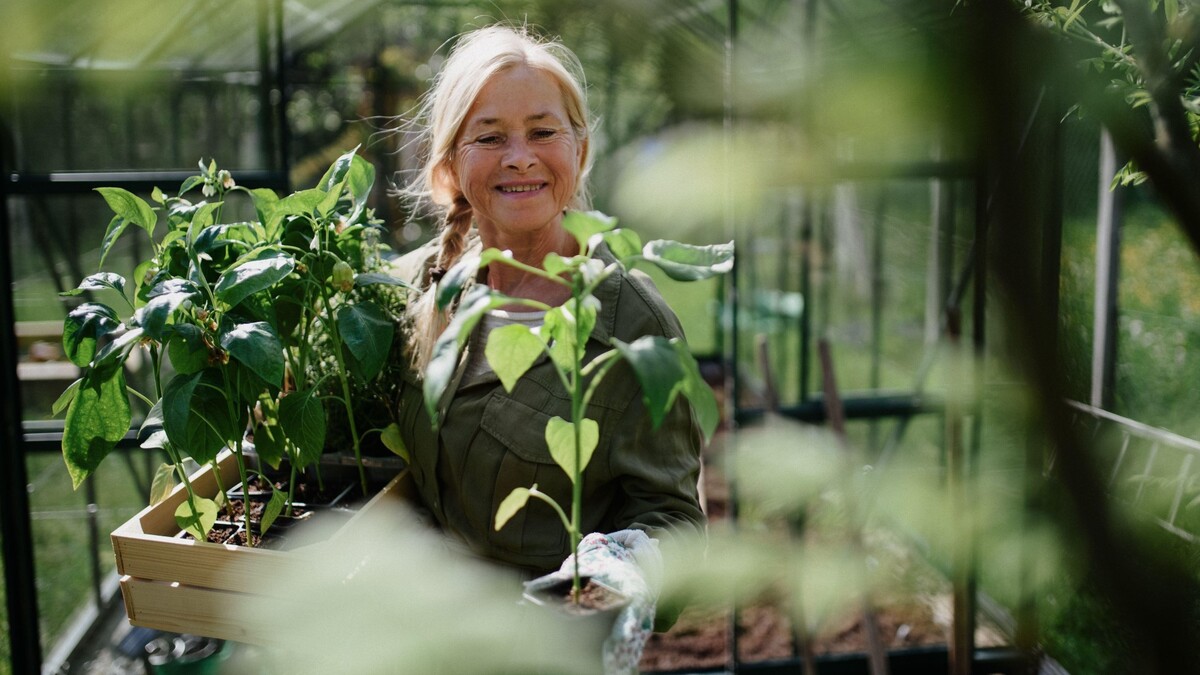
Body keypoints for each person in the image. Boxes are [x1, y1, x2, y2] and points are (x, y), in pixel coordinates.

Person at [389, 24, 705, 656]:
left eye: (542, 132)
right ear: (451, 162)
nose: (520, 156)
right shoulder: (419, 285)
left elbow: (675, 526)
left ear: (579, 150)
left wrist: (610, 579)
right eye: (489, 137)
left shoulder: (632, 329)